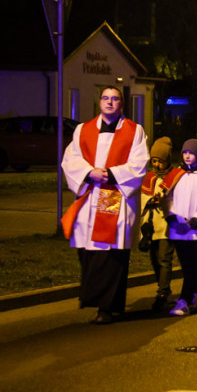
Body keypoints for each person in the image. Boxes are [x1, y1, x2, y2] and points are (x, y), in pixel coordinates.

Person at [61, 87, 149, 325]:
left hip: (115, 197)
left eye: (115, 99)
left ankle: (107, 307)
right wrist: (90, 172)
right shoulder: (83, 129)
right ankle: (96, 300)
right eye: (105, 98)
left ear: (122, 104)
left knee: (112, 255)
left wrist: (110, 174)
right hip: (90, 197)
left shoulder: (134, 131)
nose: (110, 102)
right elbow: (70, 159)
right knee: (90, 253)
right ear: (99, 102)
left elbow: (140, 163)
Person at [162, 139, 197, 316]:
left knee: (193, 265)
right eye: (185, 152)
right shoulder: (177, 175)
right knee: (186, 265)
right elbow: (168, 198)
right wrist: (172, 217)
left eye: (191, 153)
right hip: (179, 230)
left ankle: (185, 300)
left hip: (196, 231)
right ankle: (194, 294)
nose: (187, 156)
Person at [140, 137, 175, 312]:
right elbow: (142, 198)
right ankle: (162, 288)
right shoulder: (150, 178)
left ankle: (163, 291)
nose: (156, 165)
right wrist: (149, 201)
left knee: (164, 259)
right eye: (154, 161)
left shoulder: (174, 177)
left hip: (167, 227)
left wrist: (163, 202)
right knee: (155, 259)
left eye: (160, 161)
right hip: (152, 227)